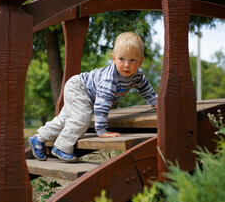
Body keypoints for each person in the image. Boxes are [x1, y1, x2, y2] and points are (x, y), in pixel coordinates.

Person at [28, 32, 158, 162]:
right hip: (79, 87)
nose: (126, 65)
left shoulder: (137, 75)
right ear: (114, 58)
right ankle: (62, 147)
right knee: (82, 118)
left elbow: (144, 87)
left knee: (65, 118)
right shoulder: (110, 79)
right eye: (121, 59)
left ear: (140, 62)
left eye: (132, 60)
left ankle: (39, 138)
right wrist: (102, 130)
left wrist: (155, 102)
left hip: (83, 92)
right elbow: (102, 104)